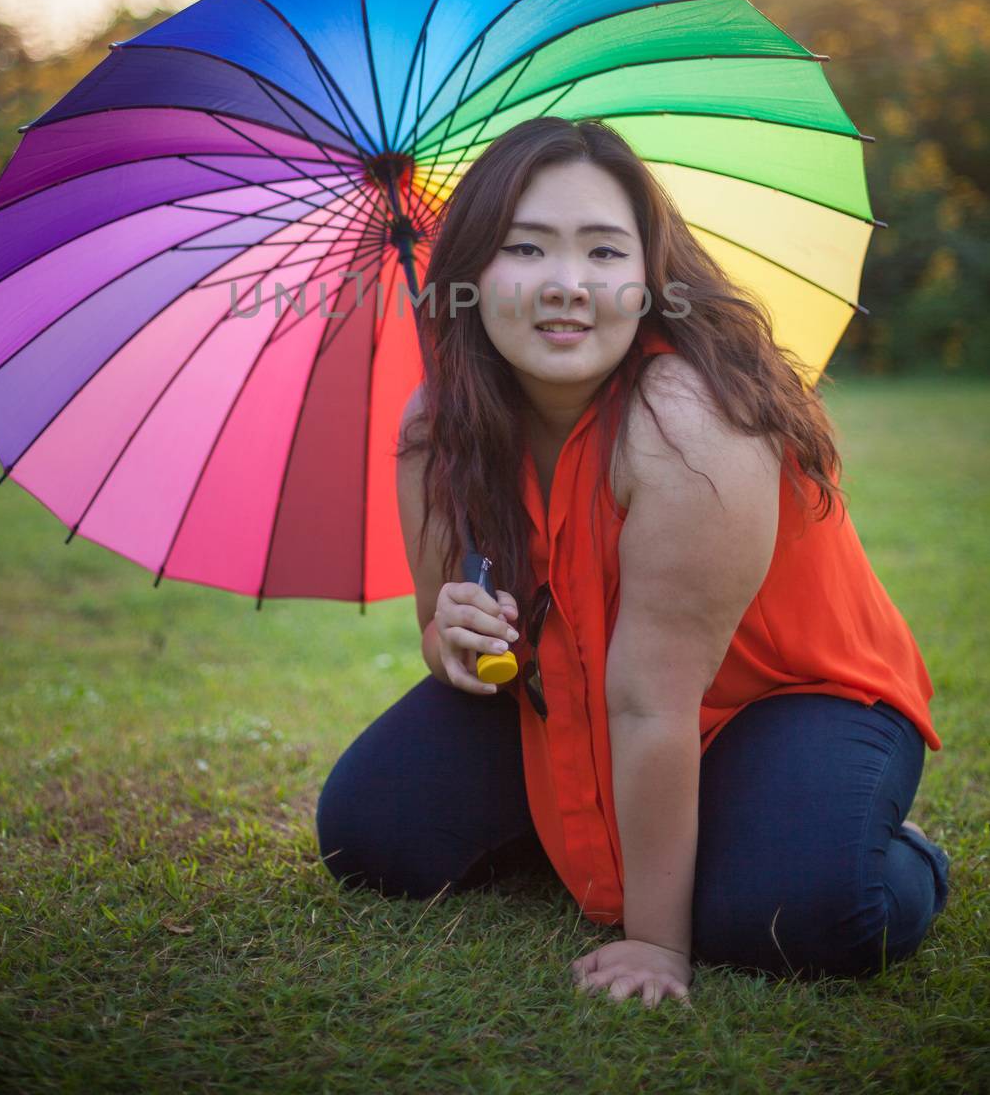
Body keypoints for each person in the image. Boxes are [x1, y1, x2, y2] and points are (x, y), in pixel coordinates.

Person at [316, 116, 950, 1008]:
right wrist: (450, 637)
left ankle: (889, 849)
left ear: (650, 278)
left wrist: (654, 941)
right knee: (373, 836)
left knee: (786, 918)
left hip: (783, 699)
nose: (566, 286)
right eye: (524, 249)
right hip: (569, 694)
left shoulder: (690, 423)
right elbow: (441, 631)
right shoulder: (436, 427)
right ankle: (655, 831)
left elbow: (651, 699)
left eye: (605, 253)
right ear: (467, 277)